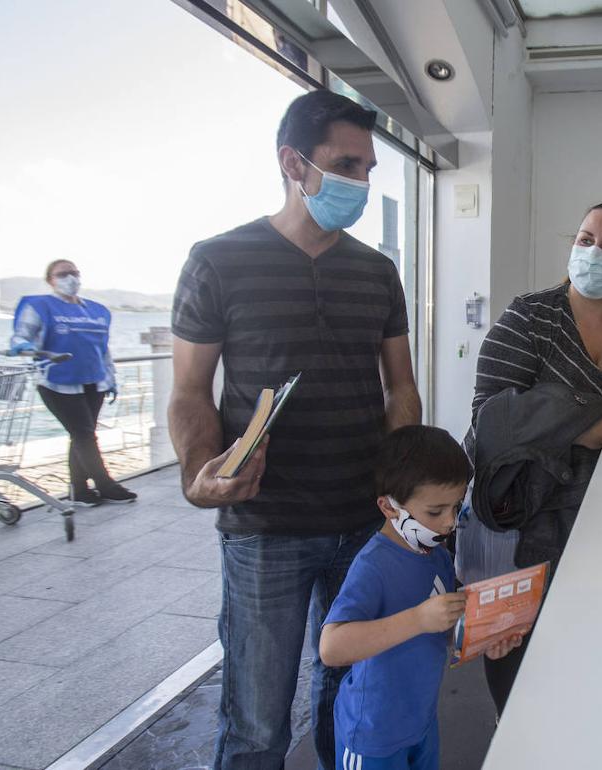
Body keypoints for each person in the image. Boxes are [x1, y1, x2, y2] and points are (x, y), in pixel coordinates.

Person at [170, 90, 421, 769]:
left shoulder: (378, 271)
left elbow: (400, 387)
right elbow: (190, 391)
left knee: (348, 698)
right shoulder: (216, 261)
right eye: (347, 164)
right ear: (293, 162)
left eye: (369, 169)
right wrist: (200, 475)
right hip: (264, 530)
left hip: (362, 525)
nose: (361, 183)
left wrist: (402, 494)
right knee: (257, 720)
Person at [466, 199, 602, 713]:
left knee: (598, 638)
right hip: (534, 514)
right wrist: (581, 425)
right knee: (525, 648)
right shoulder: (530, 317)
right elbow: (488, 417)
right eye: (585, 240)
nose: (593, 252)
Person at [320, 426, 522, 770]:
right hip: (373, 735)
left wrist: (481, 638)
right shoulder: (373, 566)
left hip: (421, 720)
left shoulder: (437, 555)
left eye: (456, 506)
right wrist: (418, 618)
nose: (449, 523)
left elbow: (440, 629)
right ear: (388, 507)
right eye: (435, 511)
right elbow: (331, 647)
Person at [10, 259, 136, 505]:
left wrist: (111, 379)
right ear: (51, 280)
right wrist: (24, 348)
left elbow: (103, 349)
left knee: (80, 436)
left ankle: (79, 490)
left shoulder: (96, 311)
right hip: (57, 383)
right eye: (63, 274)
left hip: (93, 382)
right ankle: (106, 484)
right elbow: (21, 337)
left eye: (74, 273)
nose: (71, 278)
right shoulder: (39, 307)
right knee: (84, 434)